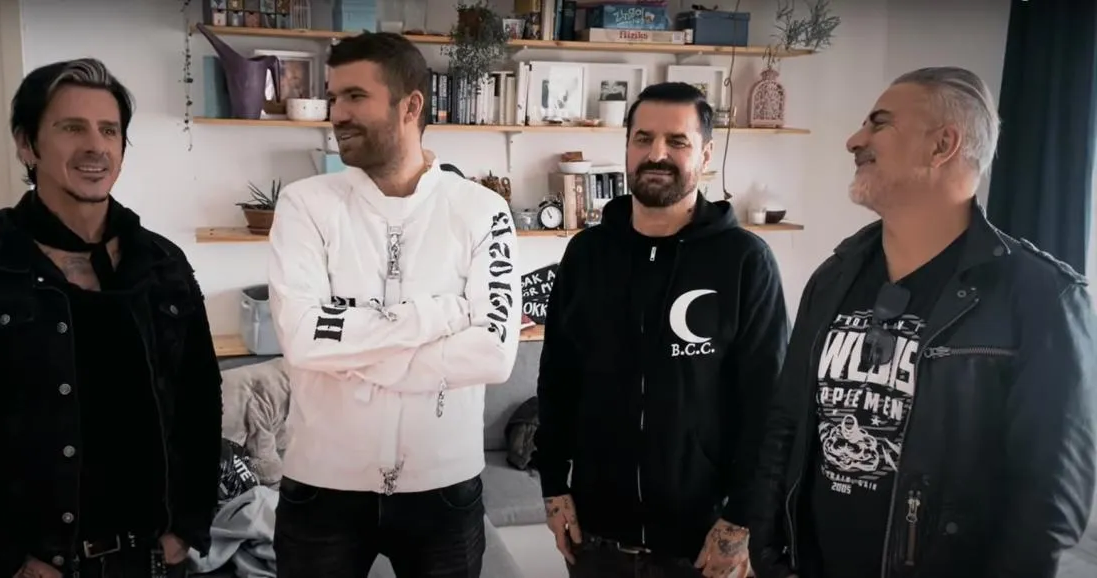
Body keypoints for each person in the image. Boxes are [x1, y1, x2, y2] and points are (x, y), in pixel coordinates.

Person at [748, 67, 1097, 578]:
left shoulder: (1045, 299)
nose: (854, 140)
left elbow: (1047, 508)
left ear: (943, 145)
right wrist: (767, 551)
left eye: (879, 123)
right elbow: (787, 422)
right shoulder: (834, 276)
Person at [0, 58, 223, 578]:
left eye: (109, 130)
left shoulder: (162, 263)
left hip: (154, 560)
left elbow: (201, 402)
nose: (95, 147)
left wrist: (187, 529)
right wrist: (4, 560)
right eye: (71, 128)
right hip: (40, 566)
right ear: (27, 144)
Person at [267, 32, 521, 578]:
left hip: (443, 490)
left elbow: (495, 354)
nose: (338, 113)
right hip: (322, 487)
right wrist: (441, 314)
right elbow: (303, 339)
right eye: (334, 98)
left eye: (355, 96)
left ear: (411, 106)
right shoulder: (305, 205)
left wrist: (356, 354)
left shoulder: (482, 211)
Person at [534, 82, 791, 578]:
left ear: (706, 154)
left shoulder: (745, 261)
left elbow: (769, 404)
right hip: (596, 540)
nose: (657, 154)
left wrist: (741, 519)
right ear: (627, 147)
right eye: (643, 139)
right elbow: (558, 380)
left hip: (702, 545)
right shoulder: (587, 254)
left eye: (677, 141)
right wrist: (553, 486)